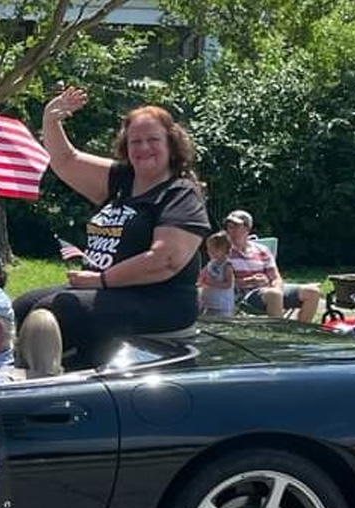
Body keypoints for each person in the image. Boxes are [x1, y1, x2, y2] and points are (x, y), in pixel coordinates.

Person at [14, 87, 210, 372]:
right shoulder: (122, 181)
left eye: (153, 140)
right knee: (21, 305)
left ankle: (42, 391)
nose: (143, 148)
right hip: (108, 292)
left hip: (159, 302)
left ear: (171, 145)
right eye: (135, 141)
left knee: (55, 310)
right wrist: (50, 120)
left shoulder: (180, 194)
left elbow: (165, 261)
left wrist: (101, 280)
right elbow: (66, 160)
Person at [223, 209, 320, 322]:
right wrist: (249, 281)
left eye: (236, 226)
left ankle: (300, 331)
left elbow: (275, 276)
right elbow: (221, 282)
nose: (231, 230)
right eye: (229, 226)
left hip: (269, 290)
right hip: (245, 295)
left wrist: (277, 287)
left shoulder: (261, 250)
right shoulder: (224, 252)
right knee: (274, 295)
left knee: (312, 291)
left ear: (247, 228)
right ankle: (278, 334)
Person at [199, 231, 235, 317]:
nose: (210, 252)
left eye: (214, 250)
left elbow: (228, 284)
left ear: (225, 250)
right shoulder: (211, 263)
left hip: (222, 305)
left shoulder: (226, 266)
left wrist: (212, 283)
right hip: (208, 303)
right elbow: (201, 275)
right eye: (209, 249)